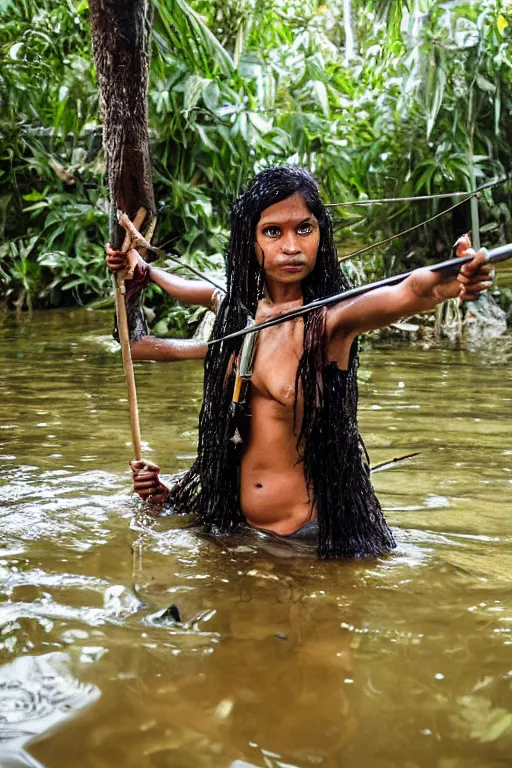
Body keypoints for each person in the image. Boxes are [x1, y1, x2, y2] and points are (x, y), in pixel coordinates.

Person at [108, 166, 493, 558]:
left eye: (304, 229)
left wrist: (450, 281)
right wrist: (145, 270)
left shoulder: (331, 322)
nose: (291, 246)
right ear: (250, 241)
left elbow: (408, 291)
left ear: (320, 235)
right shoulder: (240, 312)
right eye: (273, 232)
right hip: (234, 532)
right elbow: (196, 289)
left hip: (304, 543)